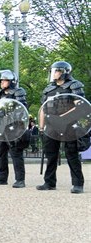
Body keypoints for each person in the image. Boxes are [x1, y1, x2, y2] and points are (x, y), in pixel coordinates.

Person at [37, 61, 86, 194]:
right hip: (51, 126)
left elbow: (80, 106)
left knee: (72, 154)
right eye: (53, 71)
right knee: (51, 155)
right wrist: (41, 127)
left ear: (64, 72)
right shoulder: (49, 89)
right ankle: (49, 182)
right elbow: (43, 108)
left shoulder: (74, 86)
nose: (54, 74)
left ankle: (77, 184)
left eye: (56, 71)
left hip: (69, 125)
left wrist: (62, 118)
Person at [0, 70, 28, 188]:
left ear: (11, 81)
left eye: (5, 80)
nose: (2, 82)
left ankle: (20, 179)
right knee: (0, 153)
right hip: (1, 127)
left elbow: (21, 109)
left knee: (16, 153)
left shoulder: (18, 92)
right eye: (1, 80)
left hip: (14, 126)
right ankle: (2, 177)